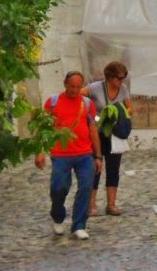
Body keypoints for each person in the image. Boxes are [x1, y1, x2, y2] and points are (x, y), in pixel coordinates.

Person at [34, 71, 103, 240]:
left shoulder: (87, 104)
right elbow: (43, 128)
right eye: (72, 86)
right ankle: (58, 216)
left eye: (78, 87)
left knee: (86, 187)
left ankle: (79, 224)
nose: (75, 90)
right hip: (60, 154)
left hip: (84, 153)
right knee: (58, 188)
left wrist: (98, 156)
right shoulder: (53, 103)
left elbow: (93, 129)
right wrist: (40, 151)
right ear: (65, 84)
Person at [83, 61, 133, 217]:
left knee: (113, 169)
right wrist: (93, 115)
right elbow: (77, 96)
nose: (121, 81)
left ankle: (111, 204)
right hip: (97, 133)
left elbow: (130, 108)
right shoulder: (94, 88)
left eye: (123, 78)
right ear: (109, 77)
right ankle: (91, 205)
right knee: (95, 169)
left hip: (114, 133)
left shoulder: (123, 89)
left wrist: (117, 111)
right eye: (119, 78)